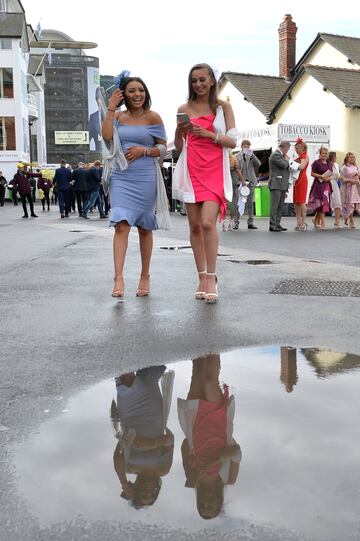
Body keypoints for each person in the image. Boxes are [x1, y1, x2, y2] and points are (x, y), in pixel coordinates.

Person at [173, 63, 237, 304]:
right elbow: (179, 148)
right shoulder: (183, 108)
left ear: (212, 81)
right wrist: (181, 132)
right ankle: (201, 276)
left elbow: (232, 141)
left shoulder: (223, 107)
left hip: (214, 170)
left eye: (202, 79)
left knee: (208, 222)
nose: (198, 84)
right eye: (194, 81)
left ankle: (211, 277)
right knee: (195, 226)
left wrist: (208, 134)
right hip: (191, 170)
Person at [102, 76, 167, 300]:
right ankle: (118, 278)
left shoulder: (153, 117)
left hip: (145, 175)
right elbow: (107, 137)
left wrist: (144, 151)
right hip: (122, 175)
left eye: (141, 90)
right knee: (121, 224)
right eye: (132, 91)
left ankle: (144, 276)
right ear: (124, 94)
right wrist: (111, 107)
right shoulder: (118, 116)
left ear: (146, 93)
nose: (137, 94)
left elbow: (163, 148)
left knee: (144, 227)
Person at [177, 353, 241, 519]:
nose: (207, 503)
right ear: (219, 501)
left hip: (196, 418)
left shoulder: (193, 479)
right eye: (211, 506)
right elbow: (236, 452)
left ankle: (200, 341)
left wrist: (188, 464)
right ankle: (213, 343)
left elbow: (185, 445)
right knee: (209, 380)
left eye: (202, 506)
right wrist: (214, 461)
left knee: (197, 372)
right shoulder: (228, 478)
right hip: (217, 421)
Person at [111, 365, 174, 508]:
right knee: (149, 376)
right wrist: (151, 444)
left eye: (144, 495)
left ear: (137, 490)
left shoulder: (129, 468)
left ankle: (123, 352)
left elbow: (118, 452)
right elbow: (169, 440)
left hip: (130, 415)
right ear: (157, 491)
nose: (149, 493)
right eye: (152, 496)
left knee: (126, 382)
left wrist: (124, 483)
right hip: (153, 413)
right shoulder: (163, 469)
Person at [235, 139, 261, 230]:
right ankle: (236, 222)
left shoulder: (251, 155)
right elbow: (236, 167)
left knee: (250, 204)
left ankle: (250, 222)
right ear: (241, 146)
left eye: (248, 147)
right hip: (240, 182)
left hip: (250, 182)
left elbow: (259, 164)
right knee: (238, 203)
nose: (247, 148)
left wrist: (252, 155)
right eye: (245, 146)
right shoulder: (237, 156)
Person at [268, 141, 291, 231]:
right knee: (275, 205)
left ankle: (277, 223)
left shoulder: (280, 156)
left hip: (282, 184)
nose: (287, 151)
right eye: (288, 149)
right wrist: (287, 159)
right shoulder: (275, 155)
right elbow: (284, 165)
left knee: (280, 206)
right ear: (284, 147)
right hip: (276, 184)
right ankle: (272, 224)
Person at [308, 147, 333, 230]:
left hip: (326, 185)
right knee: (320, 203)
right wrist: (321, 176)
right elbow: (312, 173)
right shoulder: (316, 163)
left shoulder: (329, 163)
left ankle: (316, 219)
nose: (324, 155)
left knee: (324, 203)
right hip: (318, 185)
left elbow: (331, 174)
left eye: (326, 154)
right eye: (323, 153)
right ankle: (321, 222)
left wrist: (328, 178)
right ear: (320, 154)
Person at [223, 152, 244, 231]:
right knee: (233, 201)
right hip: (233, 183)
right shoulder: (233, 158)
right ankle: (231, 222)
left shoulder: (221, 159)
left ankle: (224, 222)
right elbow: (238, 171)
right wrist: (243, 181)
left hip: (223, 183)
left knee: (224, 202)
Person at [293, 138, 309, 231]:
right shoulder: (299, 158)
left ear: (303, 148)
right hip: (297, 179)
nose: (296, 150)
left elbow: (301, 167)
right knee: (296, 202)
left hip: (302, 179)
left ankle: (303, 222)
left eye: (298, 148)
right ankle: (298, 221)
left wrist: (291, 164)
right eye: (295, 148)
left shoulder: (304, 157)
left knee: (302, 201)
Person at [340, 152, 360, 229]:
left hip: (356, 187)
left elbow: (358, 177)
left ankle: (347, 218)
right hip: (348, 188)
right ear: (347, 159)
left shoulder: (356, 167)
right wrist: (349, 181)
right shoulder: (344, 167)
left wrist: (358, 177)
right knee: (350, 204)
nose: (352, 158)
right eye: (350, 157)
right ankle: (351, 220)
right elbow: (342, 178)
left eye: (353, 157)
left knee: (357, 204)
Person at [328, 151, 342, 228]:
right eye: (335, 156)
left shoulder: (336, 165)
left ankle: (337, 222)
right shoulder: (327, 164)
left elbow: (339, 176)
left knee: (338, 203)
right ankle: (316, 218)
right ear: (331, 157)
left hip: (335, 185)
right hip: (327, 184)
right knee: (325, 203)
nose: (336, 158)